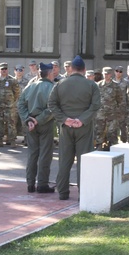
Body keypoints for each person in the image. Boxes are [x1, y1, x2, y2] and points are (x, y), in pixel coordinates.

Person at [48, 55, 100, 201]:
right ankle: (83, 193)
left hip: (66, 127)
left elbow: (52, 104)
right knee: (84, 160)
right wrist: (81, 120)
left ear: (71, 69)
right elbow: (95, 105)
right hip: (84, 127)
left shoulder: (60, 84)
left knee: (65, 160)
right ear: (84, 70)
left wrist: (65, 119)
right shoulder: (91, 85)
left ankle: (63, 192)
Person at [18, 62, 57, 193]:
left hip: (31, 124)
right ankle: (42, 184)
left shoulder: (30, 86)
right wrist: (38, 120)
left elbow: (21, 105)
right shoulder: (53, 88)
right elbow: (53, 107)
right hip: (45, 123)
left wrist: (28, 119)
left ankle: (30, 183)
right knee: (45, 154)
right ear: (50, 73)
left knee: (32, 154)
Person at [95, 67, 125, 150]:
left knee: (112, 131)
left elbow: (120, 99)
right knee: (99, 129)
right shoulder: (98, 85)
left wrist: (118, 111)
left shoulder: (115, 86)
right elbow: (94, 98)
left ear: (111, 74)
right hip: (100, 112)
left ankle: (112, 146)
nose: (106, 75)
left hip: (112, 112)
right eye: (105, 74)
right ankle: (99, 145)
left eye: (108, 74)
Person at [0, 62, 20, 146]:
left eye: (5, 69)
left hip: (9, 106)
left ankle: (12, 140)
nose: (4, 70)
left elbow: (17, 92)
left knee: (11, 123)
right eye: (2, 69)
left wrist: (11, 100)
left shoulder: (12, 80)